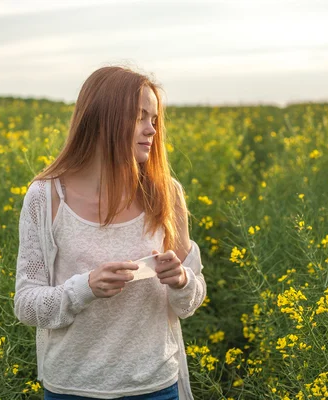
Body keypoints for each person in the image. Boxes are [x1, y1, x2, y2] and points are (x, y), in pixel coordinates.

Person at [14, 65, 206, 400]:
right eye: (140, 117)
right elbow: (27, 304)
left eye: (155, 120)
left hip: (154, 386)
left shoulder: (166, 193)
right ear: (103, 119)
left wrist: (181, 280)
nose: (152, 130)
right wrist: (84, 288)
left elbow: (189, 303)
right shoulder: (45, 197)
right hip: (72, 388)